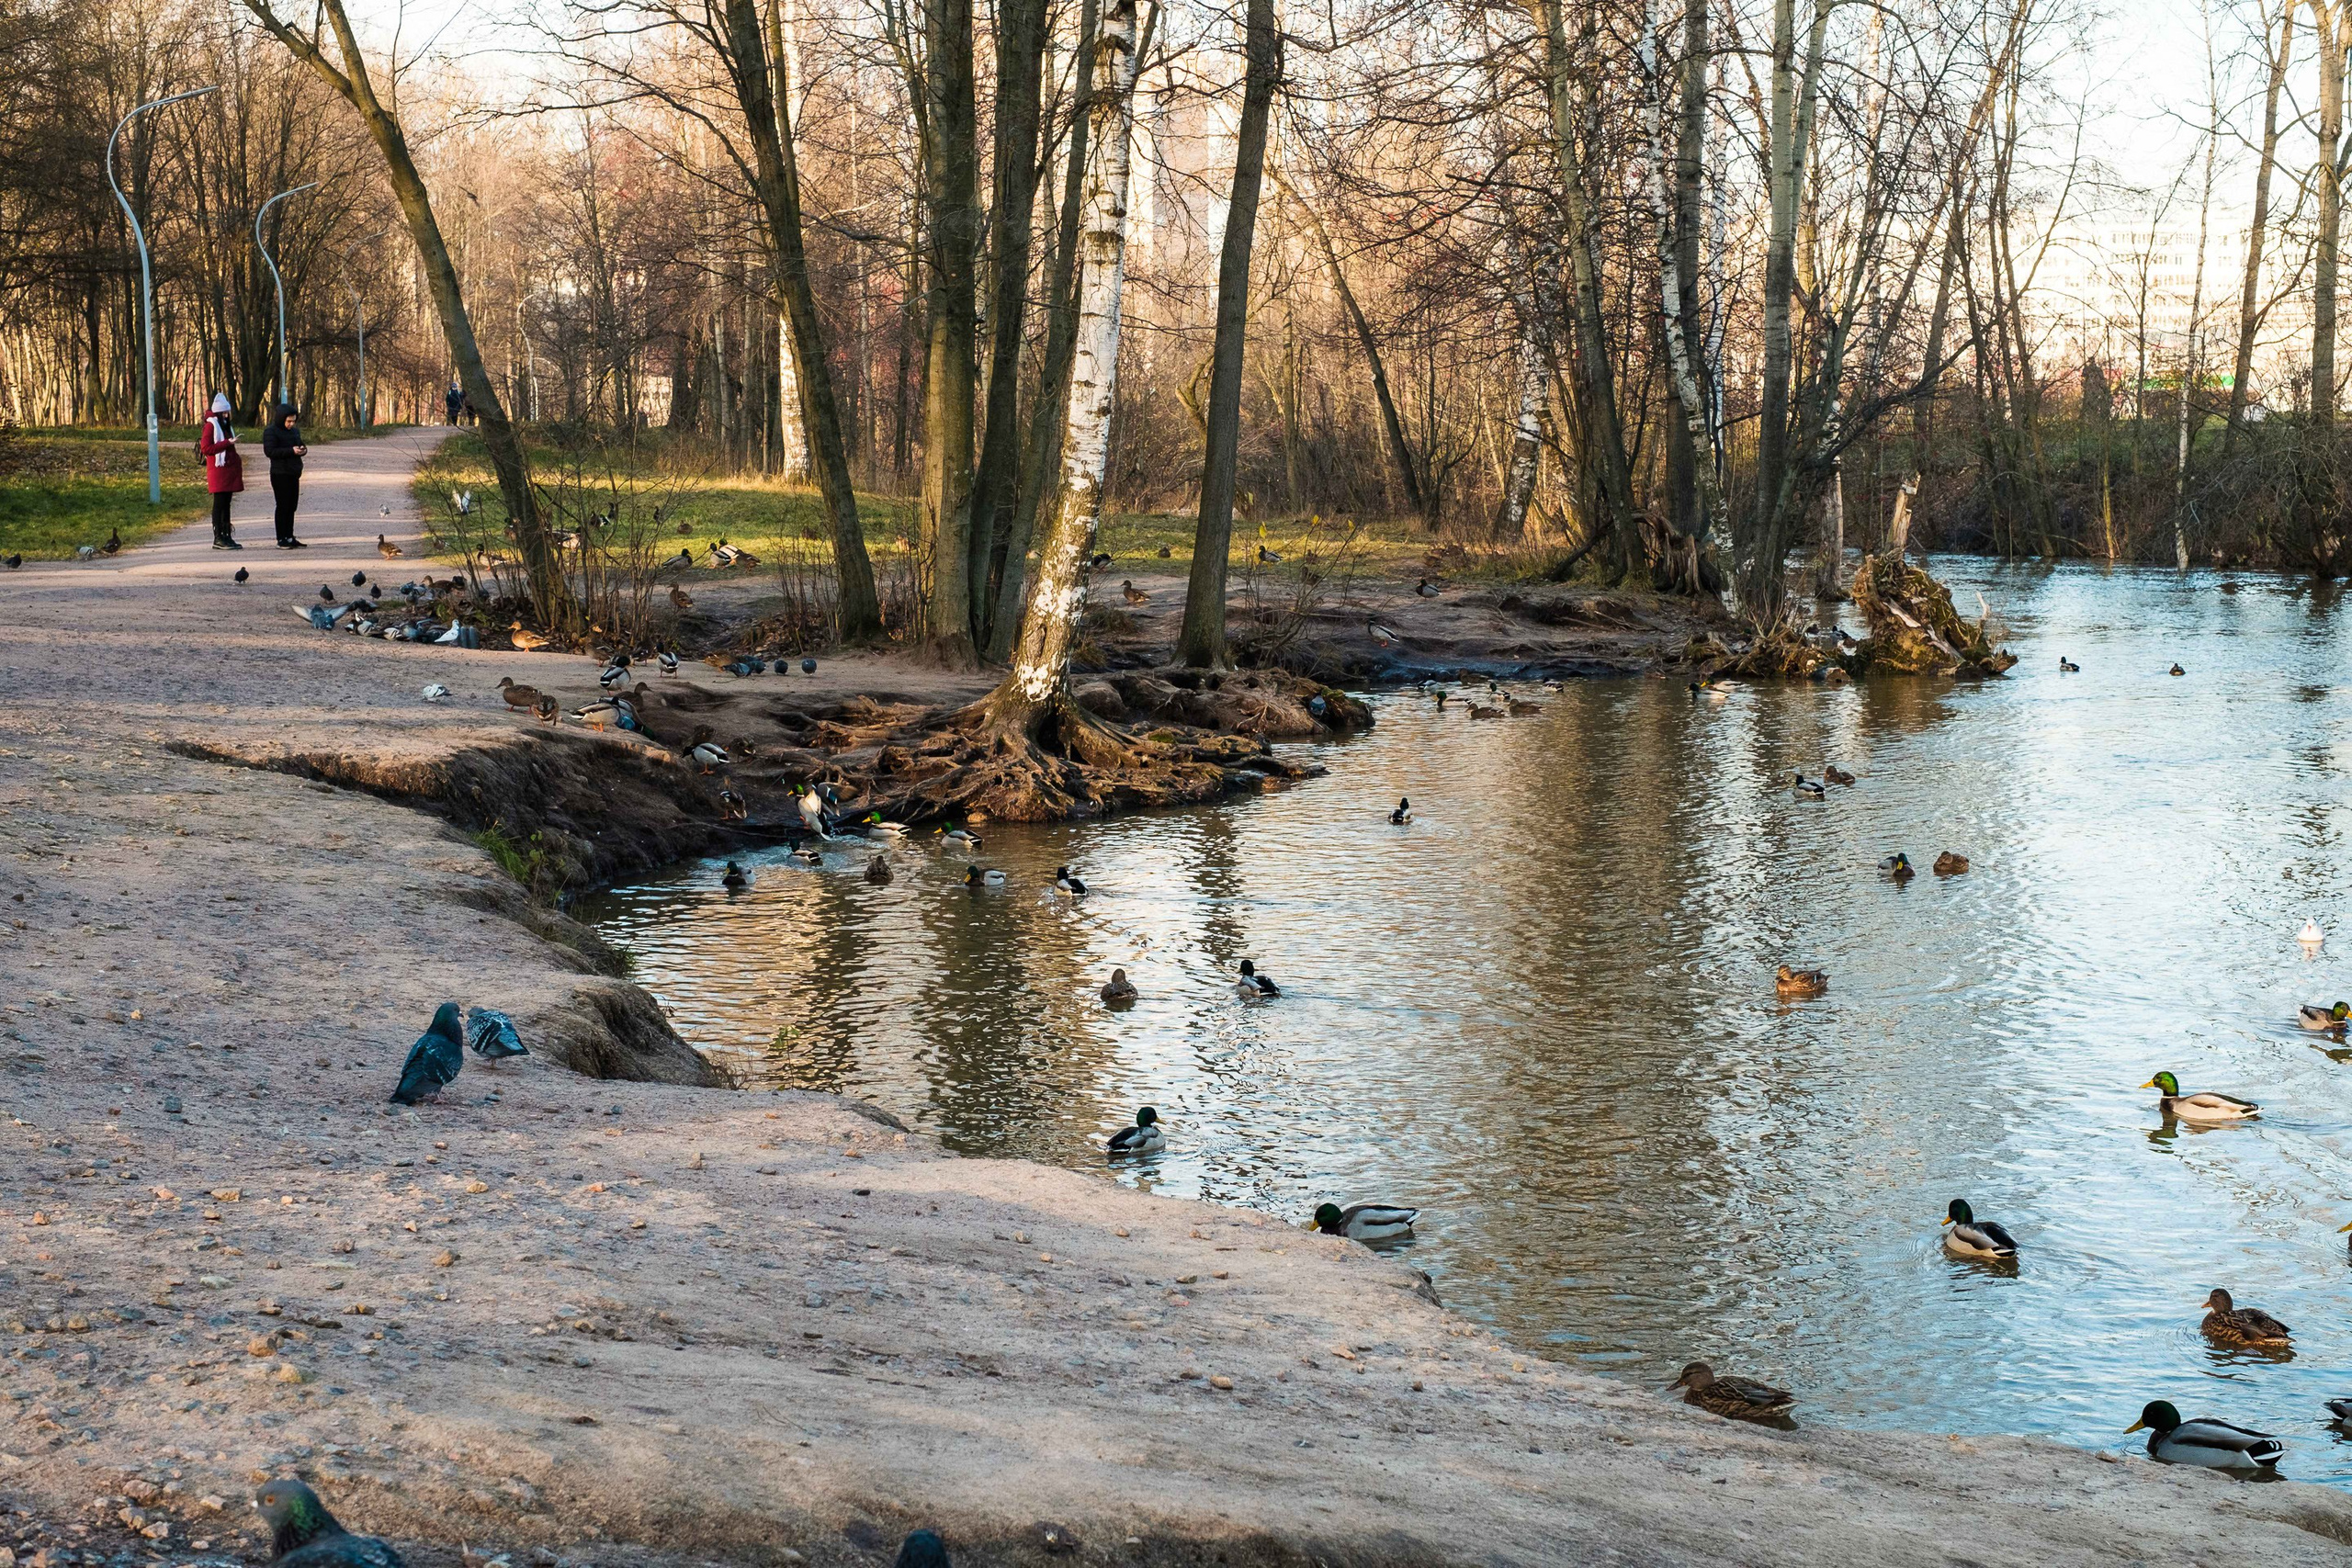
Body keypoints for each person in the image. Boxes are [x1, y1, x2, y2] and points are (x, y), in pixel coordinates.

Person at [197, 392, 243, 549]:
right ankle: (218, 537)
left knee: (227, 504)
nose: (226, 415)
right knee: (219, 504)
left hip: (228, 470)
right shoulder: (211, 426)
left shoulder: (225, 425)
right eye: (223, 413)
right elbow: (206, 448)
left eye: (227, 412)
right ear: (217, 413)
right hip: (218, 471)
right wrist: (227, 443)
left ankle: (227, 534)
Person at [261, 402, 309, 547]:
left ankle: (289, 536)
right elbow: (270, 451)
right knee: (283, 505)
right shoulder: (271, 432)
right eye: (288, 421)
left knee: (292, 506)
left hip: (293, 472)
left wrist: (302, 450)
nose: (291, 424)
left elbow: (301, 444)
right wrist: (291, 451)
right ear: (281, 419)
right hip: (280, 473)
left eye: (293, 421)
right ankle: (281, 537)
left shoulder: (294, 432)